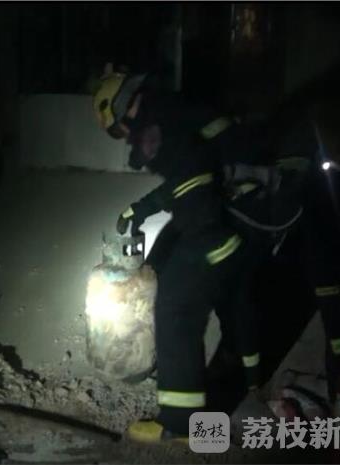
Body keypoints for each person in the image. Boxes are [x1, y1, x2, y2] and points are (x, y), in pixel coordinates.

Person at [93, 66, 264, 442]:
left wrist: (206, 241)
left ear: (124, 109)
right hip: (247, 217)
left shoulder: (159, 125)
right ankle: (252, 383)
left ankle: (181, 425)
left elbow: (192, 181)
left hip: (220, 226)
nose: (123, 138)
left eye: (116, 129)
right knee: (235, 298)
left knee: (175, 307)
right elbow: (191, 175)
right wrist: (143, 209)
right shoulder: (176, 111)